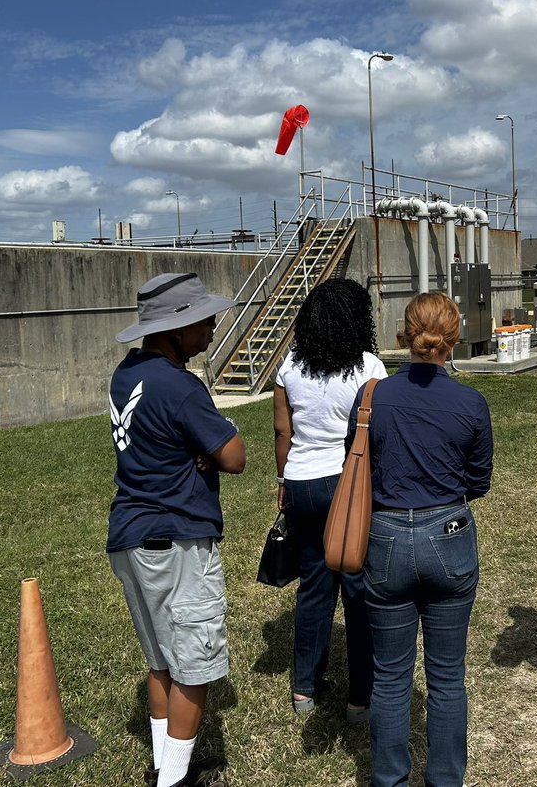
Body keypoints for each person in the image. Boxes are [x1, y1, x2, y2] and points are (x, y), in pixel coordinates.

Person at [107, 273, 247, 787]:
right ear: (174, 330)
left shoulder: (127, 374)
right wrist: (207, 447)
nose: (210, 329)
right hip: (178, 538)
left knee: (161, 661)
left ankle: (166, 769)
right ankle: (174, 783)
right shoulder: (182, 387)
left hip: (131, 535)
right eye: (201, 321)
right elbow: (234, 457)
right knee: (194, 668)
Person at [351, 292, 493, 787]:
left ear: (403, 334)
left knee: (390, 677)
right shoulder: (470, 402)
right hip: (448, 534)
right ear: (452, 339)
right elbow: (479, 480)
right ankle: (445, 780)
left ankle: (388, 779)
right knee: (447, 677)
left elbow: (360, 466)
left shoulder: (372, 396)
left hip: (386, 536)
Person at [272, 278, 386, 721]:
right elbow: (379, 435)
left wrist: (282, 480)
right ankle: (360, 698)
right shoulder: (369, 368)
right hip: (348, 486)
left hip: (300, 482)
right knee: (357, 589)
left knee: (314, 588)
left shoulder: (290, 367)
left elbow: (284, 432)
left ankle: (304, 690)